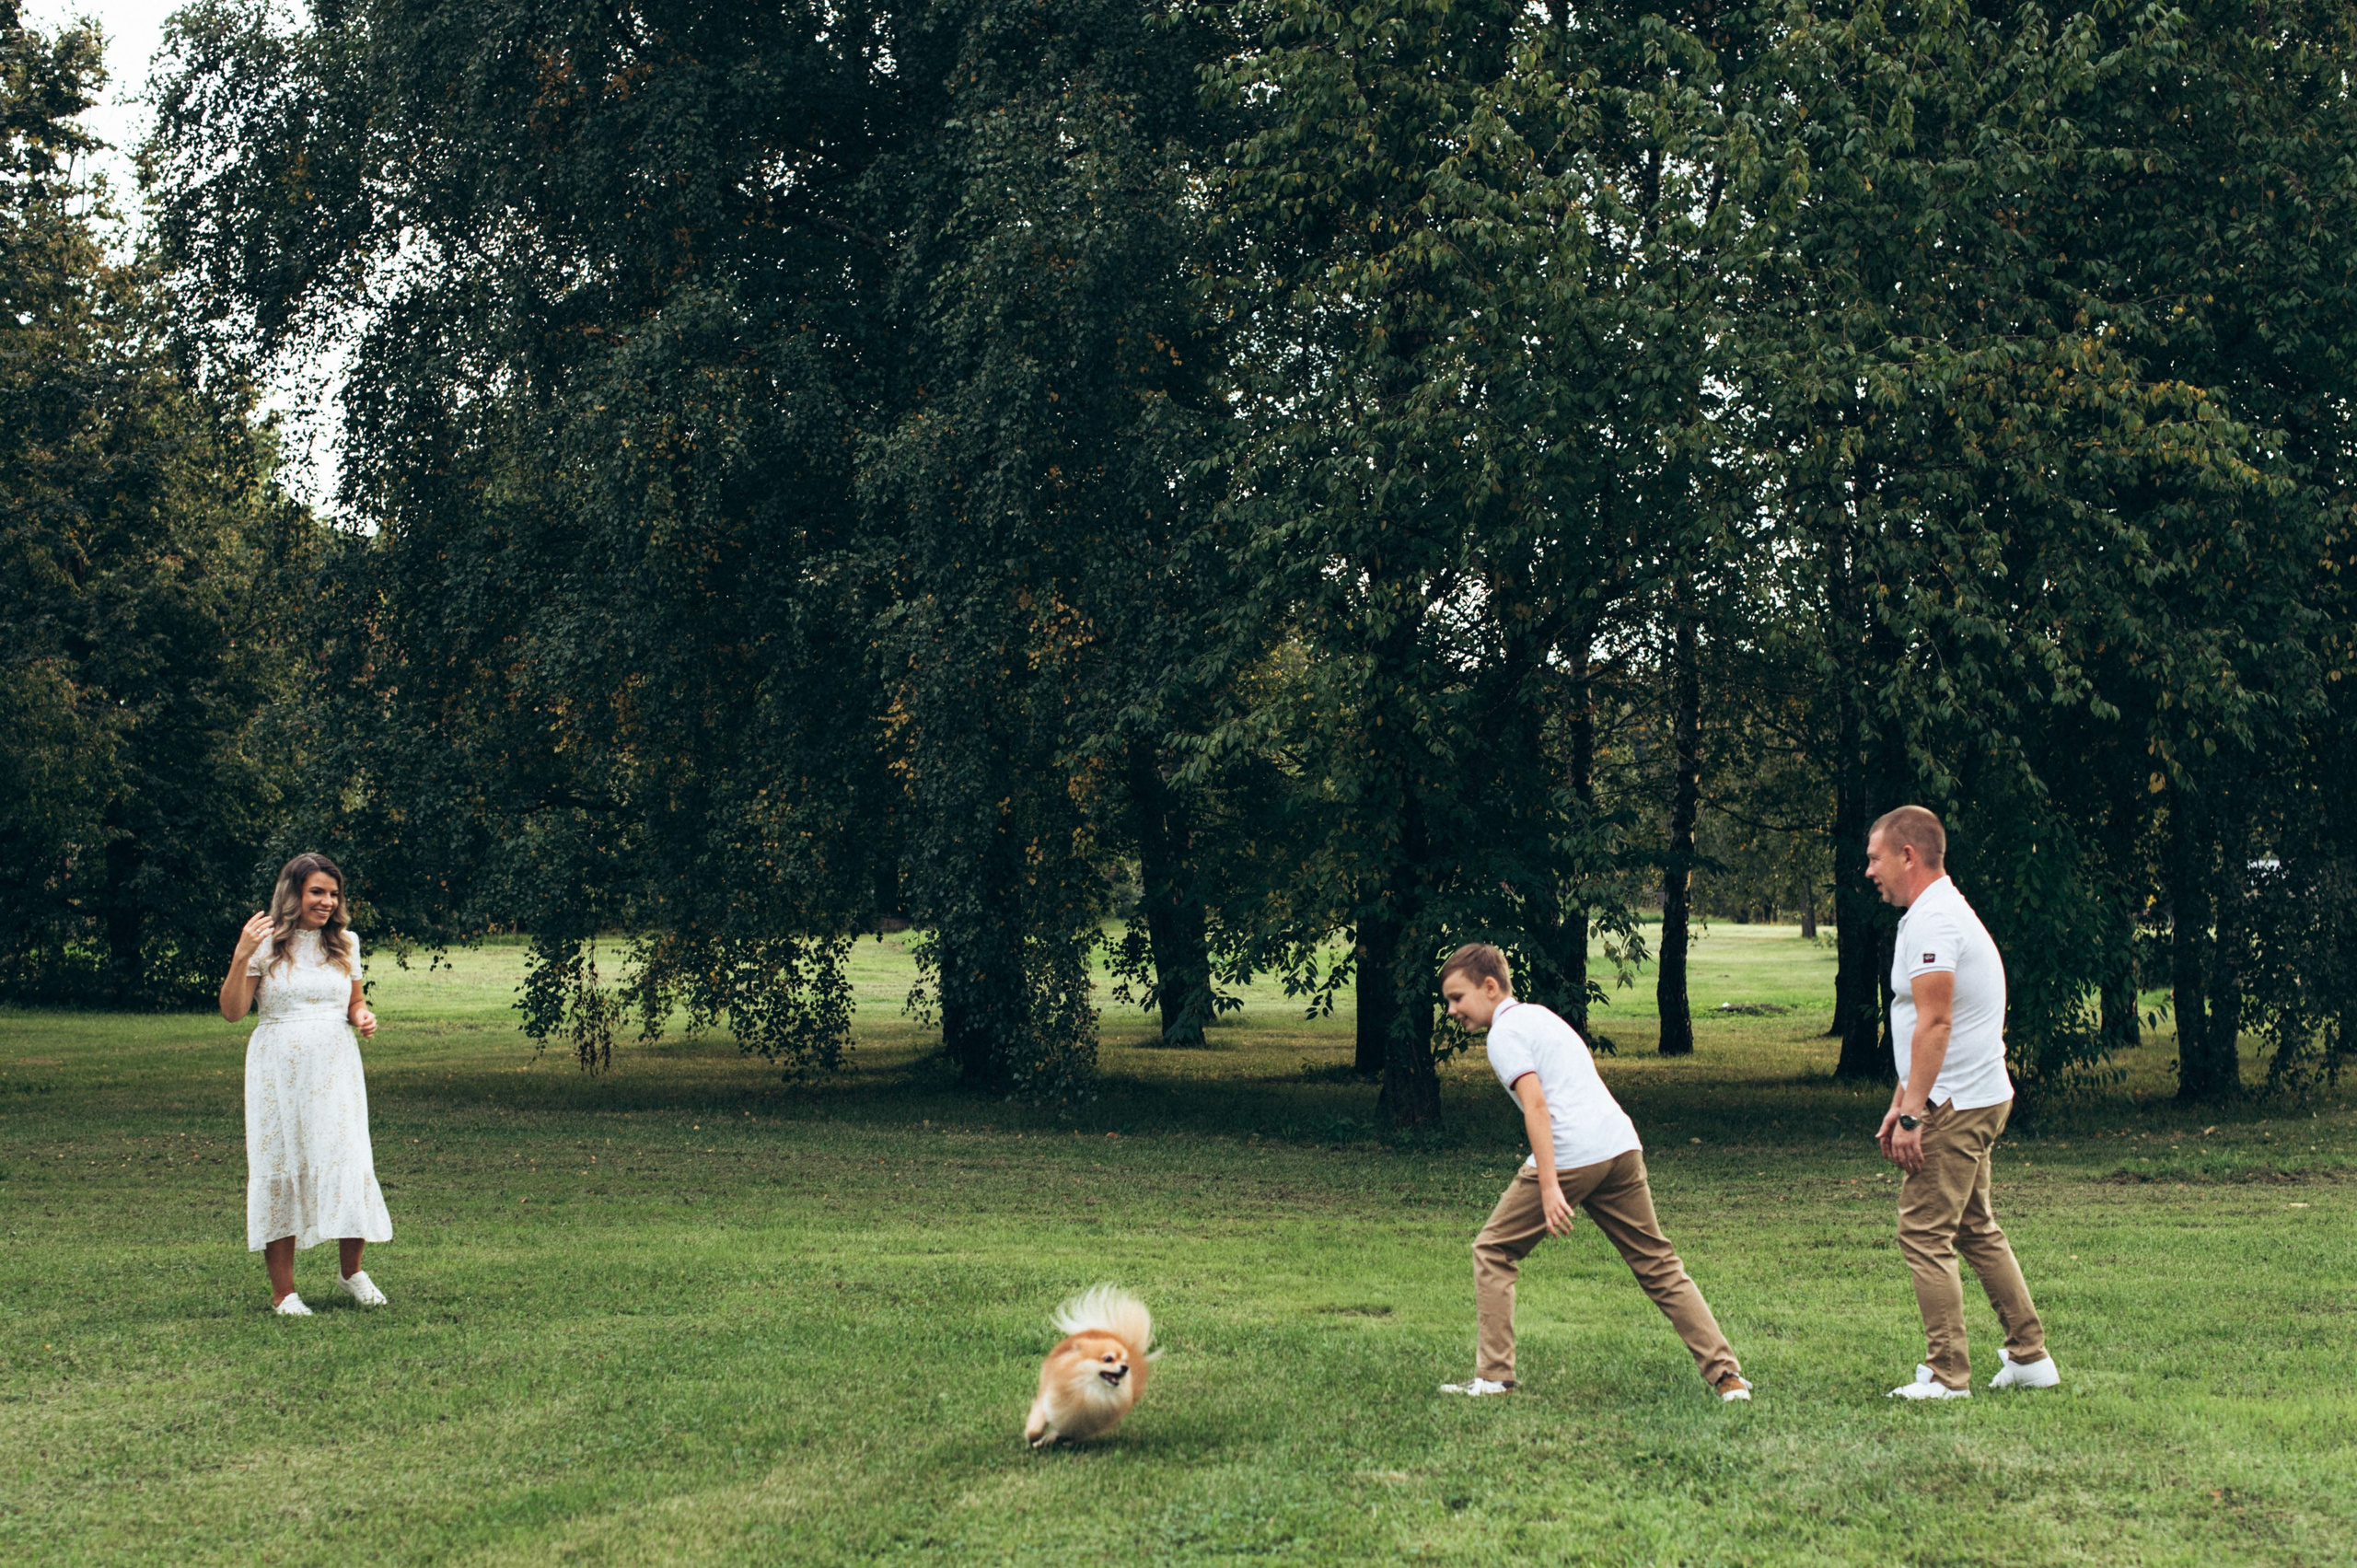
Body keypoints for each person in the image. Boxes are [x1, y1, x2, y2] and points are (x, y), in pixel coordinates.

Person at [1437, 943, 1751, 1402]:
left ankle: (1494, 1377)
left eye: (1457, 998)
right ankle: (1728, 1378)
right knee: (1659, 1264)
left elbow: (1538, 1108)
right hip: (1619, 1146)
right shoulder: (1541, 1016)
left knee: (1493, 1250)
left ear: (1489, 987)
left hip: (1573, 1153)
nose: (1451, 1011)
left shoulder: (1503, 1035)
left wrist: (1549, 1186)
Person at [1865, 805, 2057, 1399]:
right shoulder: (1934, 911)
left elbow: (1938, 1022)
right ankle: (2029, 1359)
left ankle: (1947, 1376)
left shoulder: (1933, 920)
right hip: (1972, 1093)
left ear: (1908, 855)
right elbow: (1925, 1027)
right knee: (1975, 1227)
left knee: (1924, 1232)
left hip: (1956, 1102)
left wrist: (1915, 1114)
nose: (1869, 871)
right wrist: (1901, 1099)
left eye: (1874, 858)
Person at [218, 853, 393, 1316]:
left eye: (333, 894)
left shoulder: (346, 943)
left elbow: (354, 1002)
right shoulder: (264, 942)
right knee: (282, 1162)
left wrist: (362, 1016)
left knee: (348, 1157)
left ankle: (351, 1272)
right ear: (293, 892)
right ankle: (284, 1293)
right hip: (279, 1070)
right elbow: (234, 1011)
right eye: (318, 892)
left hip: (336, 1066)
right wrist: (241, 953)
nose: (327, 902)